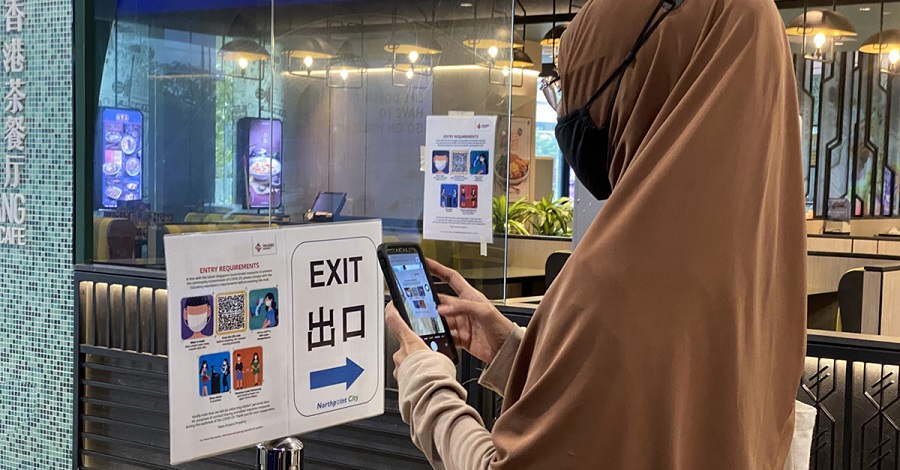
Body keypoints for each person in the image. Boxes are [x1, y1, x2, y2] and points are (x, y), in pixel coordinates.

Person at [385, 0, 807, 468]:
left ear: (636, 78)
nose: (569, 113)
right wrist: (516, 352)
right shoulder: (766, 266)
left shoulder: (620, 279)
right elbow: (661, 415)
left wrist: (427, 388)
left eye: (574, 86)